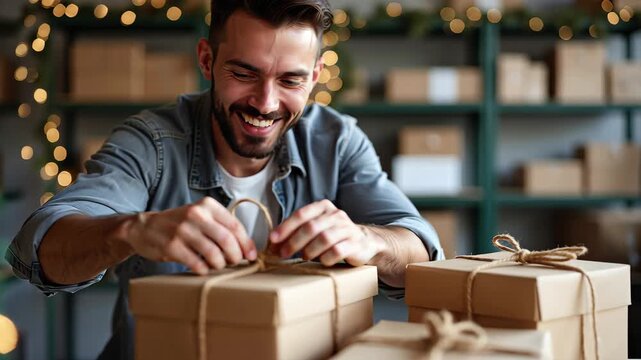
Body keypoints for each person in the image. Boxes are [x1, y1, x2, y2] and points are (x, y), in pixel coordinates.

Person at [6, 0, 442, 358]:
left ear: (314, 77)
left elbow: (421, 254)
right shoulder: (151, 142)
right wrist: (131, 230)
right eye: (244, 73)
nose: (266, 103)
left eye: (290, 79)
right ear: (207, 60)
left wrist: (369, 240)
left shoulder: (338, 141)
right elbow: (38, 250)